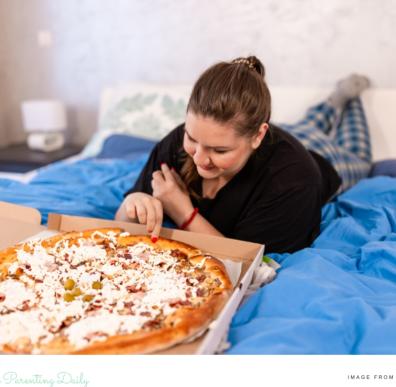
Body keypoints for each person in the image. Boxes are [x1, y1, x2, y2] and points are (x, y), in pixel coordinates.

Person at [115, 56, 371, 253]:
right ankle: (330, 105)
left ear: (258, 136)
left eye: (219, 150)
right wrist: (134, 202)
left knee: (358, 154)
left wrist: (184, 213)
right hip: (280, 136)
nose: (199, 158)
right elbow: (123, 218)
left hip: (324, 159)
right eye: (192, 139)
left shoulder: (294, 181)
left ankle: (348, 98)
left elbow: (249, 260)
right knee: (308, 124)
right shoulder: (179, 142)